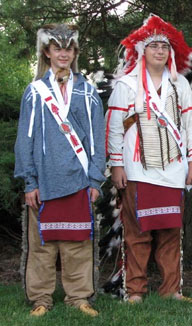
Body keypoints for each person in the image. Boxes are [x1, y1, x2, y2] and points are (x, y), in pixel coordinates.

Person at [105, 14, 192, 304]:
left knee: (171, 232)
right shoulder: (126, 85)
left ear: (170, 53)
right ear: (142, 51)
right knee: (137, 233)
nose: (160, 51)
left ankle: (171, 290)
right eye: (154, 46)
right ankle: (135, 290)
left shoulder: (180, 85)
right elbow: (114, 127)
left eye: (164, 47)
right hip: (137, 170)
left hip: (174, 169)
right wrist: (117, 165)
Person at [14, 24, 106, 316]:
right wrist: (30, 182)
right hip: (44, 179)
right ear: (47, 52)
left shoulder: (87, 92)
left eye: (68, 49)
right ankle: (41, 298)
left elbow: (96, 141)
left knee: (77, 244)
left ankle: (79, 297)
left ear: (75, 52)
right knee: (42, 244)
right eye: (57, 48)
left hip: (78, 180)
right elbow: (24, 139)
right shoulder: (35, 92)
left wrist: (95, 180)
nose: (63, 53)